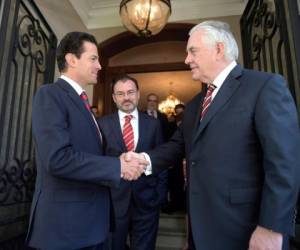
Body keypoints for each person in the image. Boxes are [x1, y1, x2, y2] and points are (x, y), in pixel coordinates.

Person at [128, 20, 300, 250]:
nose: (187, 59)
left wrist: (272, 228)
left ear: (219, 49)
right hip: (202, 230)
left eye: (192, 51)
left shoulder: (264, 86)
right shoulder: (194, 105)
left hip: (247, 229)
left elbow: (284, 163)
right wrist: (144, 160)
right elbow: (177, 146)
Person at [25, 32, 147, 250]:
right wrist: (117, 166)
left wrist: (119, 160)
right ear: (72, 60)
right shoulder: (51, 94)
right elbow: (57, 158)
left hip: (89, 226)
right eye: (93, 59)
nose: (99, 65)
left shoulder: (83, 102)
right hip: (65, 229)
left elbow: (88, 154)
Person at [98, 75, 168, 250]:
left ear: (138, 94)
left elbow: (161, 161)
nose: (126, 97)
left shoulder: (153, 124)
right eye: (120, 94)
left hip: (147, 201)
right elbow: (97, 162)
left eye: (130, 92)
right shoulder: (102, 124)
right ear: (114, 98)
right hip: (113, 203)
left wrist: (159, 195)